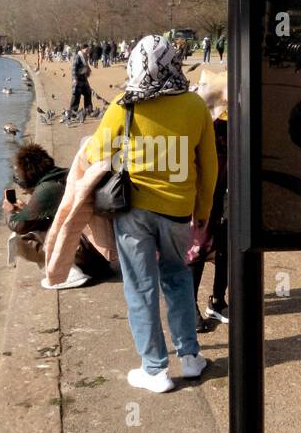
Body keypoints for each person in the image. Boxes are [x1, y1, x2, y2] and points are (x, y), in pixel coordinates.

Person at [88, 35, 218, 393]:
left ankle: (155, 369)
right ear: (173, 62)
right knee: (178, 278)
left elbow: (99, 150)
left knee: (140, 287)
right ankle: (190, 357)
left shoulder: (123, 105)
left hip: (134, 211)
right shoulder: (194, 105)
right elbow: (209, 165)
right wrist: (203, 211)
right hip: (178, 210)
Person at [3, 143, 112, 286]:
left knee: (19, 239)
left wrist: (9, 210)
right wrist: (28, 209)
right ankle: (70, 268)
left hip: (88, 254)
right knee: (42, 224)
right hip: (102, 252)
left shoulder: (47, 189)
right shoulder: (65, 175)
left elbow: (18, 225)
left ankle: (68, 273)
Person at [187, 68, 228, 331]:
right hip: (206, 190)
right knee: (198, 246)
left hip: (229, 186)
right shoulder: (202, 118)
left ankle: (217, 300)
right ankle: (188, 307)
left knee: (228, 241)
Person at [69, 46, 93, 118]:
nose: (88, 51)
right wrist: (74, 78)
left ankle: (88, 110)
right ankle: (73, 112)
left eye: (88, 49)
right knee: (76, 95)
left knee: (88, 92)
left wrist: (88, 70)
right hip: (78, 78)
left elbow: (85, 65)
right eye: (86, 49)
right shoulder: (78, 56)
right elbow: (74, 67)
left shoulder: (85, 56)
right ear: (82, 49)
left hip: (84, 78)